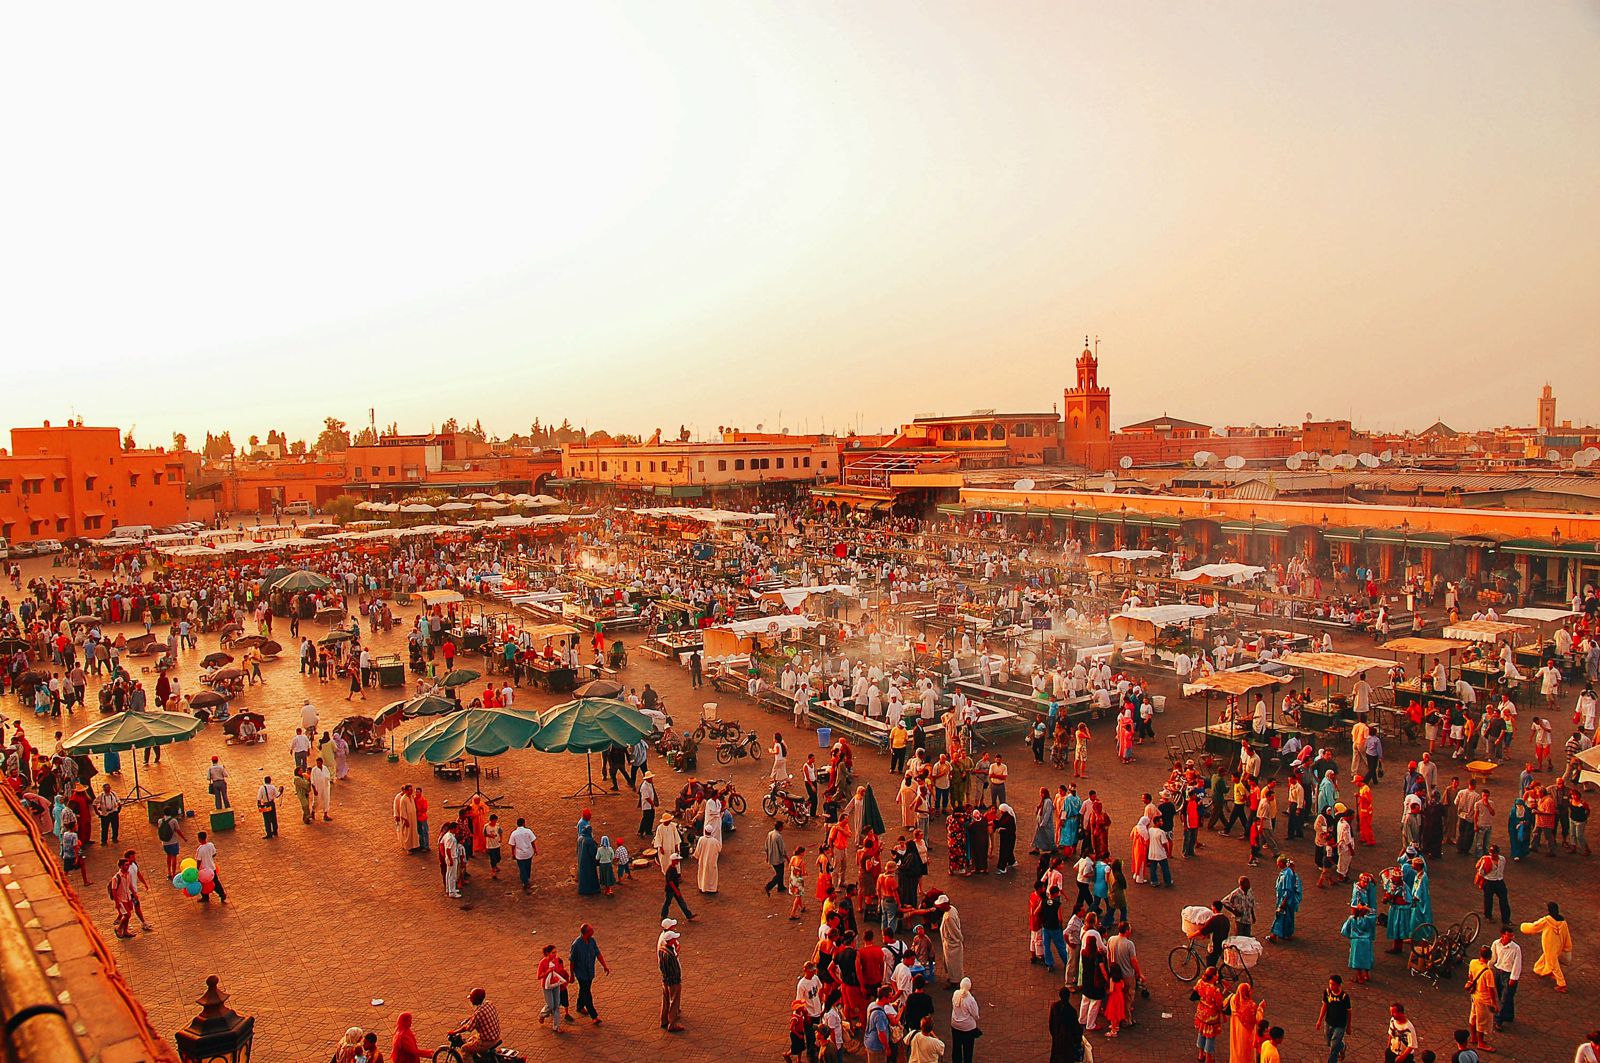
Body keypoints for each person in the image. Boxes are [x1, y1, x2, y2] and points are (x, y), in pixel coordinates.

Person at [1519, 900, 1572, 992]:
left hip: (1549, 945)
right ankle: (1540, 969)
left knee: (1553, 964)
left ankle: (1561, 984)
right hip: (1558, 945)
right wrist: (1567, 946)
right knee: (1546, 959)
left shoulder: (1547, 920)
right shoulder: (1562, 921)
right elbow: (1566, 934)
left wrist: (1523, 927)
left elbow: (1534, 927)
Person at [1463, 946, 1498, 1054]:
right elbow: (1491, 990)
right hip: (1484, 1000)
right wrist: (1495, 1003)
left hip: (1474, 995)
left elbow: (1470, 976)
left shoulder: (1473, 962)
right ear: (1490, 957)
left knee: (1473, 1017)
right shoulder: (1488, 972)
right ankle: (1481, 1043)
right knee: (1482, 1022)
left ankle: (1473, 1038)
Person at [1190, 966, 1225, 1063]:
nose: (1218, 976)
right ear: (1213, 977)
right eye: (1217, 974)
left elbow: (1195, 990)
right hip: (1211, 1017)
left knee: (1201, 1033)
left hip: (1201, 1013)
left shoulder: (1200, 982)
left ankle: (1201, 1054)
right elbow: (1219, 1005)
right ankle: (1209, 1058)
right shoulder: (1215, 990)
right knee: (1210, 1037)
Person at [1490, 926, 1521, 1030]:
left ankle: (1498, 1021)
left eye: (1512, 935)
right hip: (1498, 972)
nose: (1511, 937)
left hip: (1508, 975)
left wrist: (1514, 978)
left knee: (1505, 998)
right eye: (1509, 935)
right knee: (1502, 995)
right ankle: (1509, 1015)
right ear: (1502, 935)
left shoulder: (1516, 948)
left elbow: (1517, 964)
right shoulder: (1496, 944)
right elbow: (1493, 958)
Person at [1314, 973, 1351, 1063]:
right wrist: (1319, 1020)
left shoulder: (1344, 997)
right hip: (1328, 1022)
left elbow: (1349, 1012)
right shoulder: (1327, 992)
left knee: (1334, 1047)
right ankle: (1342, 1046)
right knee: (1328, 1042)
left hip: (1340, 1025)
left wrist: (1349, 1026)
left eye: (1333, 984)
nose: (1331, 986)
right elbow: (1324, 1006)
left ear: (1339, 985)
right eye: (1330, 984)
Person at [454, 988, 501, 1058]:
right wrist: (468, 1019)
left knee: (464, 1048)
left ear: (476, 1000)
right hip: (496, 1036)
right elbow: (477, 1015)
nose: (470, 1000)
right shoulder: (489, 1003)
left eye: (471, 998)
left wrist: (454, 1032)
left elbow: (467, 1028)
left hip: (487, 1042)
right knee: (470, 1040)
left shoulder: (478, 1014)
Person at [658, 918, 686, 1032]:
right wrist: (676, 981)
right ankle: (672, 1023)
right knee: (674, 1000)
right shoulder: (669, 954)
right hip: (672, 981)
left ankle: (664, 1019)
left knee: (666, 999)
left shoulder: (662, 949)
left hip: (666, 979)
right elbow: (673, 969)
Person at [1225, 981, 1263, 1063]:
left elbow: (1224, 1003)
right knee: (1246, 1051)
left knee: (1236, 1048)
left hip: (1235, 1029)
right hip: (1246, 1033)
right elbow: (1258, 1019)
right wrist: (1261, 1008)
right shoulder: (1251, 1005)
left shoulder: (1233, 999)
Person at [1048, 986, 1085, 1063]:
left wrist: (1055, 1034)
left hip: (1057, 1038)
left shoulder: (1054, 1007)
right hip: (1068, 1041)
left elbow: (1051, 1023)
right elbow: (1075, 1028)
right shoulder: (1072, 1011)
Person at [949, 977, 980, 1063]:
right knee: (968, 1050)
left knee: (956, 1047)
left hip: (955, 1025)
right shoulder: (970, 1000)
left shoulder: (955, 994)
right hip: (968, 1029)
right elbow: (976, 1015)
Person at [195, 830, 226, 903]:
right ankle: (222, 894)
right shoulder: (210, 845)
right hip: (212, 868)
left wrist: (197, 869)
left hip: (203, 870)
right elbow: (214, 854)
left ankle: (205, 897)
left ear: (199, 838)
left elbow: (199, 860)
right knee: (216, 882)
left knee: (202, 884)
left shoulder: (200, 849)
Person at [509, 818, 537, 893]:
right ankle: (526, 878)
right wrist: (535, 849)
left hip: (520, 854)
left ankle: (525, 881)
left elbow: (512, 845)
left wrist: (513, 853)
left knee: (522, 868)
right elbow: (533, 841)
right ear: (524, 823)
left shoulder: (514, 833)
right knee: (528, 867)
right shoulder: (528, 831)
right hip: (528, 853)